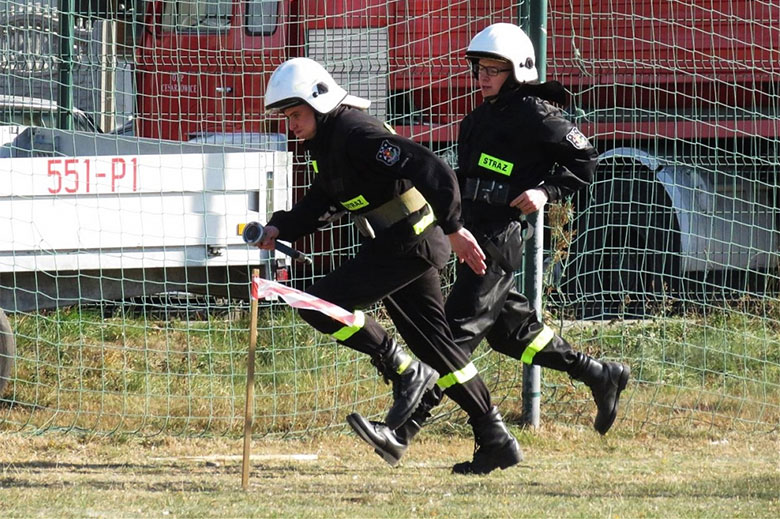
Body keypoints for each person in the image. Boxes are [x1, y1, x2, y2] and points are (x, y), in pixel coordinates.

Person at [348, 23, 631, 470]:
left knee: (451, 337)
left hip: (500, 239)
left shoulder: (538, 114)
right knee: (511, 333)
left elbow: (584, 160)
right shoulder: (479, 117)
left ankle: (402, 431)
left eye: (493, 69)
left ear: (517, 70)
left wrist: (545, 192)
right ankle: (599, 373)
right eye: (478, 68)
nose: (482, 76)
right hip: (472, 231)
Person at [259, 57, 522, 474]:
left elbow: (431, 168)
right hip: (400, 247)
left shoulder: (357, 133)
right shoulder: (326, 143)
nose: (290, 124)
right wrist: (279, 227)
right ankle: (495, 438)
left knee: (317, 303)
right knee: (440, 348)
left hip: (410, 246)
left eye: (295, 114)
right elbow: (323, 201)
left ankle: (403, 370)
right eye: (286, 116)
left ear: (319, 102)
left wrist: (453, 226)